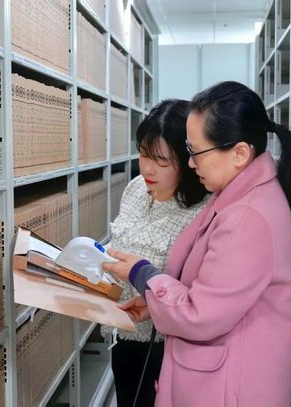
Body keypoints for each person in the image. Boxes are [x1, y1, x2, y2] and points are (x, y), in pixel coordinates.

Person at [103, 81, 291, 407]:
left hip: (230, 389)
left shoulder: (247, 218)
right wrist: (156, 303)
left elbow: (199, 314)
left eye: (195, 152)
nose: (190, 163)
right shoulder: (235, 194)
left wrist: (142, 273)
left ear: (239, 153)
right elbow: (214, 289)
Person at [101, 99, 209, 407]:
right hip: (122, 335)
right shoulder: (135, 189)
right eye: (144, 154)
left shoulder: (202, 212)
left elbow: (197, 294)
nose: (148, 168)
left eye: (161, 160)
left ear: (187, 161)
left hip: (166, 347)